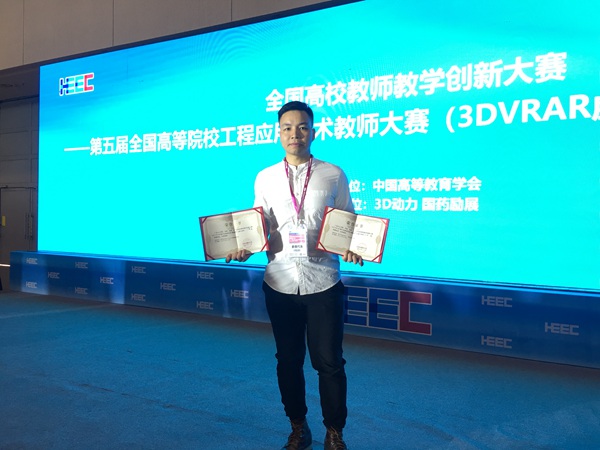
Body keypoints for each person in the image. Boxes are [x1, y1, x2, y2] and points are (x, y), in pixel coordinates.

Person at [227, 101, 363, 450]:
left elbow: (347, 220)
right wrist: (244, 246)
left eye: (302, 127)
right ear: (278, 133)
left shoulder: (333, 174)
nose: (295, 134)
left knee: (329, 362)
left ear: (313, 132)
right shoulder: (265, 177)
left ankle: (335, 432)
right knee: (288, 361)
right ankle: (298, 426)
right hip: (280, 281)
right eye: (287, 127)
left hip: (323, 280)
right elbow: (258, 223)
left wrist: (352, 245)